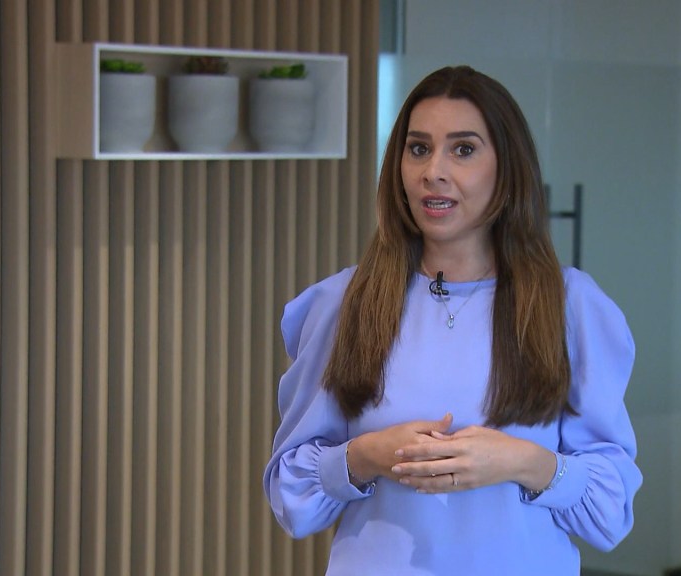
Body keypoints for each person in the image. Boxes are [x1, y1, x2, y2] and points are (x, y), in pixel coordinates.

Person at [263, 65, 642, 575]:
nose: (433, 171)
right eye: (418, 148)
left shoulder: (570, 306)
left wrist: (521, 462)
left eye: (463, 149)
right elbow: (290, 497)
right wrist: (366, 456)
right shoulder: (344, 302)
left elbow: (609, 511)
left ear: (507, 168)